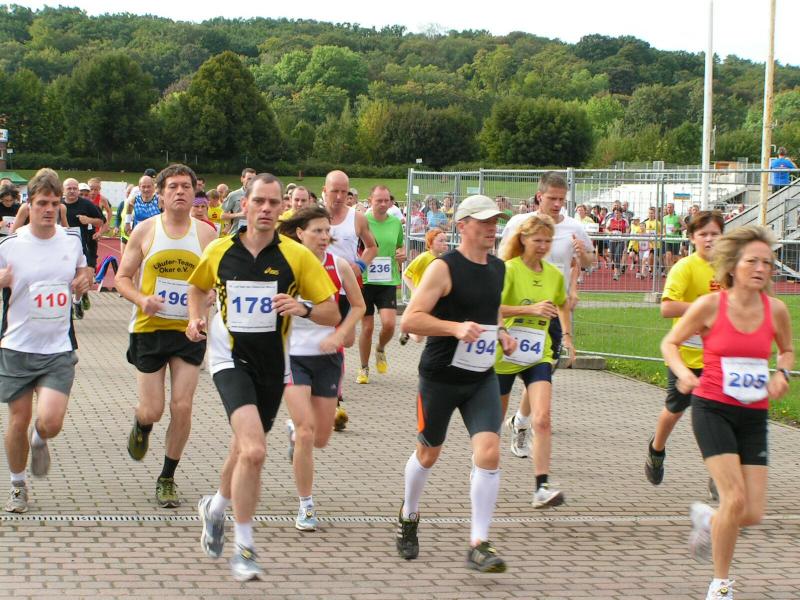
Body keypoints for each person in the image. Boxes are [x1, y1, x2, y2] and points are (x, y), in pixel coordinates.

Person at [186, 173, 339, 581]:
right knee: (254, 450)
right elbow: (197, 288)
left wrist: (303, 308)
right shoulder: (220, 250)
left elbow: (332, 312)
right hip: (229, 360)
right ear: (245, 205)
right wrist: (194, 319)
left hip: (274, 366)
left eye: (274, 203)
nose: (267, 209)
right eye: (260, 202)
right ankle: (245, 547)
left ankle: (215, 507)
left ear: (282, 209)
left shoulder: (296, 256)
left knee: (243, 449)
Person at [661, 225, 793, 600]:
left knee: (751, 513)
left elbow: (786, 351)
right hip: (712, 408)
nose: (761, 268)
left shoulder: (776, 310)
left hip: (753, 415)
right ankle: (720, 585)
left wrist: (781, 374)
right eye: (752, 261)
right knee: (733, 499)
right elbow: (670, 343)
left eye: (767, 263)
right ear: (733, 266)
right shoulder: (710, 305)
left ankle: (708, 519)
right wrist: (684, 373)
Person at [396, 194, 517, 573]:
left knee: (489, 452)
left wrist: (502, 333)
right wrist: (454, 328)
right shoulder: (443, 268)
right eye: (484, 222)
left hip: (481, 377)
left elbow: (491, 309)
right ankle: (409, 514)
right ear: (462, 225)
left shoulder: (498, 268)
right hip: (441, 378)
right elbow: (411, 319)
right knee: (428, 454)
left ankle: (479, 542)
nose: (492, 228)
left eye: (495, 221)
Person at [115, 164, 217, 508]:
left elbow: (217, 280)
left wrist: (210, 295)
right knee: (153, 410)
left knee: (182, 406)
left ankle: (167, 477)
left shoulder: (207, 235)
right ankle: (141, 425)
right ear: (160, 195)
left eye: (186, 186)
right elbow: (122, 278)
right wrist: (142, 299)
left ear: (194, 191)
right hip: (149, 329)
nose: (180, 192)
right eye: (172, 186)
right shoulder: (146, 231)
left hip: (190, 330)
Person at [1, 168, 93, 513]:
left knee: (51, 422)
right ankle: (17, 485)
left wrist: (83, 280)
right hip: (17, 346)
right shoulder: (11, 244)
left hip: (57, 348)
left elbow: (84, 269)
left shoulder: (70, 241)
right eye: (42, 203)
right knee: (18, 420)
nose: (49, 209)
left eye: (54, 203)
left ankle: (40, 439)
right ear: (30, 204)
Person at [278, 206, 365, 531]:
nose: (324, 236)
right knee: (306, 431)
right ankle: (306, 505)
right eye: (317, 231)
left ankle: (295, 433)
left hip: (328, 357)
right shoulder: (284, 265)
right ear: (300, 233)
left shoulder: (338, 265)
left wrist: (341, 334)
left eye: (328, 231)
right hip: (292, 355)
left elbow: (359, 306)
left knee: (322, 438)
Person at [500, 172, 593, 458]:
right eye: (552, 198)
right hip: (515, 312)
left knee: (541, 370)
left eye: (562, 199)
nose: (557, 204)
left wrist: (580, 262)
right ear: (539, 196)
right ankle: (488, 440)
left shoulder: (574, 227)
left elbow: (586, 261)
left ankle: (521, 421)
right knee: (504, 379)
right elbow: (503, 258)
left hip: (551, 311)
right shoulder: (519, 223)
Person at [645, 211, 724, 496]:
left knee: (719, 418)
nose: (709, 239)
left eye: (715, 234)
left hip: (720, 358)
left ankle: (719, 475)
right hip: (686, 358)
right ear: (691, 238)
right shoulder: (685, 268)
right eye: (703, 234)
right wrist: (703, 309)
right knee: (675, 411)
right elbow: (667, 307)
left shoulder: (730, 267)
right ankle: (656, 449)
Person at [497, 214, 570, 508]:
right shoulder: (509, 269)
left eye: (548, 241)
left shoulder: (553, 275)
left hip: (538, 353)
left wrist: (567, 336)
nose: (543, 246)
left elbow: (562, 304)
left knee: (542, 418)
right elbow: (493, 307)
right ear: (523, 239)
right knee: (493, 422)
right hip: (505, 352)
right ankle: (483, 467)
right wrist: (531, 310)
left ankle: (541, 487)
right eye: (537, 240)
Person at [323, 170, 377, 429]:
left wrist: (360, 266)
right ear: (325, 191)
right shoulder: (314, 216)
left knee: (344, 340)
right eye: (334, 191)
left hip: (344, 289)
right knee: (326, 339)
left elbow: (372, 247)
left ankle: (333, 388)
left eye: (344, 192)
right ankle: (332, 397)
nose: (339, 196)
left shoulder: (357, 218)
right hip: (318, 290)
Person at [357, 185, 405, 384]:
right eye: (379, 200)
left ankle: (380, 349)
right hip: (366, 281)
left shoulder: (396, 223)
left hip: (387, 280)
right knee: (367, 328)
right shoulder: (362, 221)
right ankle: (364, 368)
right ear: (371, 200)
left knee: (390, 324)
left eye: (387, 200)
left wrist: (401, 255)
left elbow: (400, 247)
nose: (383, 204)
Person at [62, 178, 106, 320]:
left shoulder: (87, 205)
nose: (72, 191)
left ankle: (77, 301)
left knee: (84, 279)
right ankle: (67, 305)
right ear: (63, 190)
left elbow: (101, 221)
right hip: (61, 249)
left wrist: (88, 220)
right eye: (69, 188)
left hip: (81, 247)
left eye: (74, 188)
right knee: (65, 279)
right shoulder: (58, 205)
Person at [400, 227, 448, 345]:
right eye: (441, 240)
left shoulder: (443, 259)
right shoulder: (424, 257)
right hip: (420, 299)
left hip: (434, 298)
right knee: (418, 338)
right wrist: (415, 291)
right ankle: (406, 330)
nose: (444, 243)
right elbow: (406, 275)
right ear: (431, 243)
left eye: (445, 241)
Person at [221, 168, 256, 235]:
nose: (251, 181)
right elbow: (222, 216)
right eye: (249, 179)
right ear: (242, 179)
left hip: (254, 234)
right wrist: (239, 214)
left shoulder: (260, 195)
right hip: (236, 234)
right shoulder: (233, 195)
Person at [662, 203, 683, 275]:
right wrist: (664, 233)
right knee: (668, 256)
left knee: (674, 258)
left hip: (675, 240)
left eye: (670, 207)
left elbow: (685, 226)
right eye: (668, 207)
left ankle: (676, 270)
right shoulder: (664, 218)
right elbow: (664, 228)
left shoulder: (677, 217)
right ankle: (670, 273)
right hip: (667, 240)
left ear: (673, 208)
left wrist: (677, 229)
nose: (669, 209)